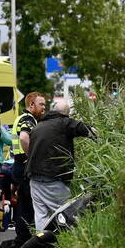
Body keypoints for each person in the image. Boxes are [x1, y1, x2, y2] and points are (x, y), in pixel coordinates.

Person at [26, 99, 96, 233]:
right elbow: (88, 129)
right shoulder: (64, 122)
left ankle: (41, 242)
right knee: (65, 215)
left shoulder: (38, 126)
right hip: (53, 179)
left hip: (34, 178)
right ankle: (65, 243)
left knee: (41, 215)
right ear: (66, 114)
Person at [10, 92, 46, 239]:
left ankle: (22, 236)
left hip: (18, 164)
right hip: (24, 165)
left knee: (23, 204)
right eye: (41, 104)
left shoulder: (20, 118)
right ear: (31, 105)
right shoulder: (28, 119)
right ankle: (25, 237)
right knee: (28, 206)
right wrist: (31, 157)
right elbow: (24, 138)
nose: (44, 107)